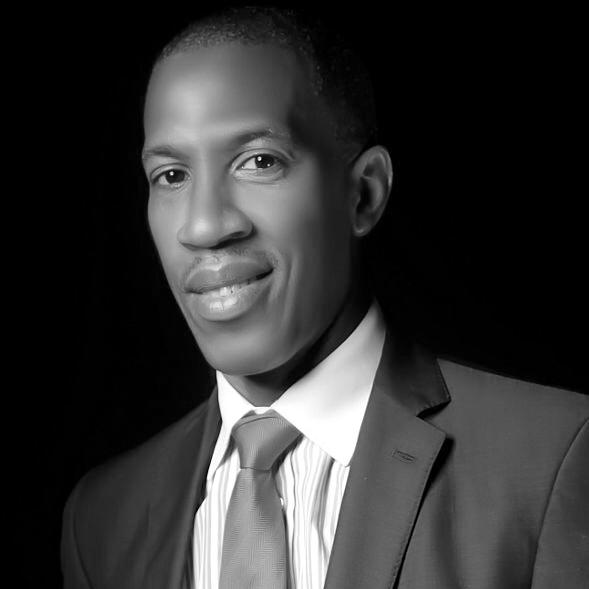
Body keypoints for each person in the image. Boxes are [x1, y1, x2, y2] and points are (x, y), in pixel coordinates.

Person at [61, 6, 589, 589]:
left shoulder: (553, 459)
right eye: (171, 176)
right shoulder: (101, 520)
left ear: (364, 194)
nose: (204, 226)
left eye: (259, 162)